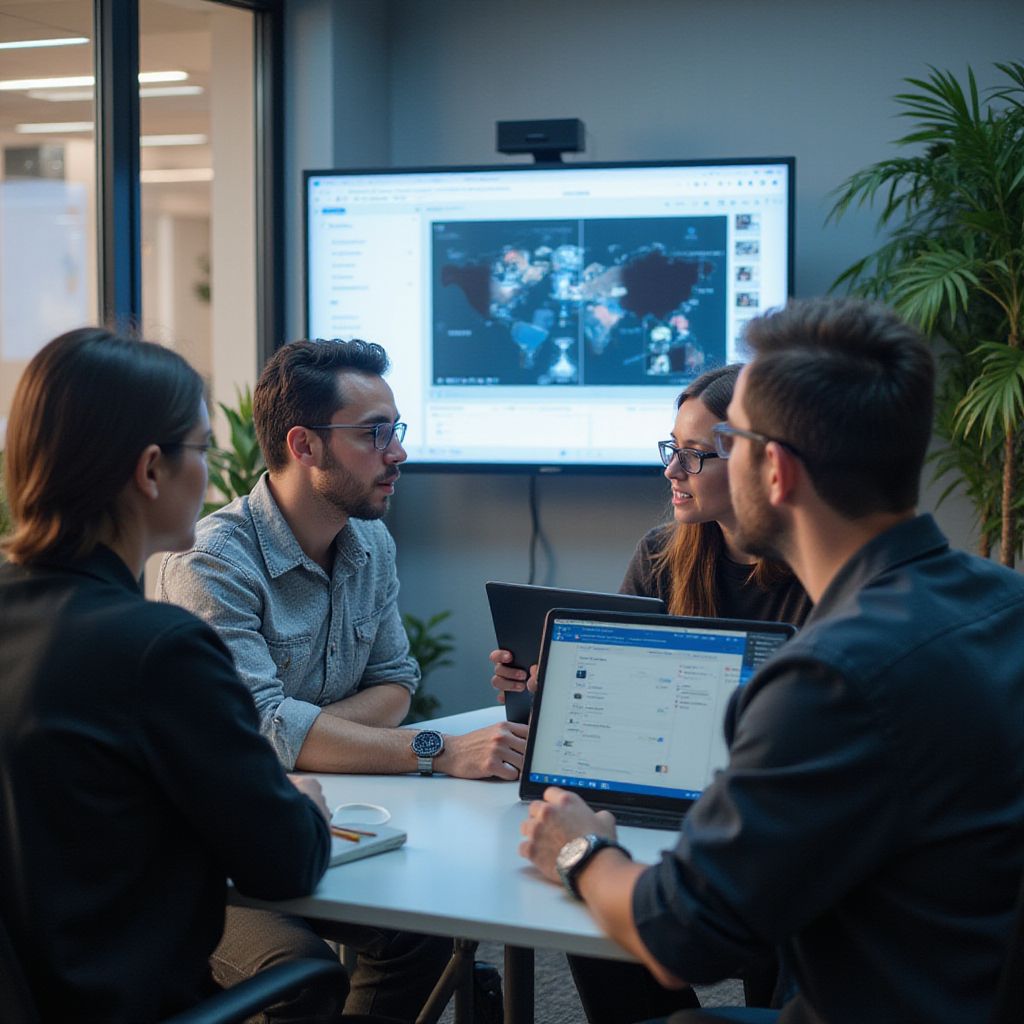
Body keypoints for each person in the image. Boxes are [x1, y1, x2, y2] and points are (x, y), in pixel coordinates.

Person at [517, 297, 1024, 1024]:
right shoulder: (1007, 603)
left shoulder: (832, 677)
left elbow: (684, 936)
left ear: (776, 471)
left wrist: (581, 853)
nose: (687, 467)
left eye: (731, 440)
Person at [158, 337, 527, 1019]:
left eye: (397, 430)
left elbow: (395, 682)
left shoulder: (369, 543)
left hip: (324, 816)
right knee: (299, 976)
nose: (399, 452)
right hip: (211, 856)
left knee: (420, 928)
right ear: (304, 446)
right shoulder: (210, 566)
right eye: (375, 434)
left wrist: (297, 734)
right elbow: (261, 730)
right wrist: (433, 751)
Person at [0, 328, 338, 1023]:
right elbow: (287, 864)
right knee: (307, 972)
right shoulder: (159, 651)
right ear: (151, 470)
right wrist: (299, 800)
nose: (212, 477)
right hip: (125, 1003)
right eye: (204, 449)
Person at [490, 364, 811, 1020]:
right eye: (672, 450)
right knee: (588, 891)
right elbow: (621, 692)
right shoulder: (664, 552)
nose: (673, 471)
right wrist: (552, 689)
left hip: (752, 820)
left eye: (695, 457)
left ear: (759, 464)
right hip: (659, 795)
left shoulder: (816, 581)